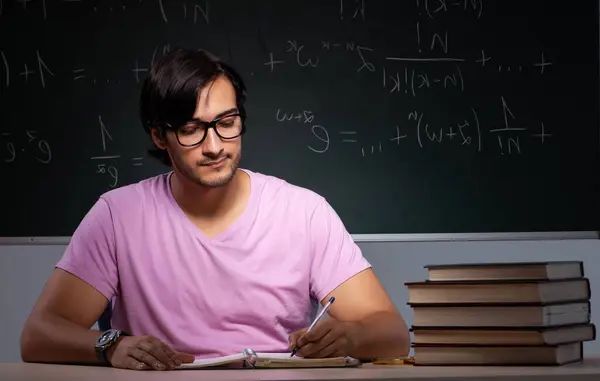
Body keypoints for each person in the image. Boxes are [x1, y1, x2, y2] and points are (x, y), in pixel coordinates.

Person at [20, 48, 410, 371]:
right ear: (159, 135)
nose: (214, 146)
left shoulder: (303, 211)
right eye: (191, 129)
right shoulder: (117, 215)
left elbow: (392, 331)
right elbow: (38, 335)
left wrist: (351, 336)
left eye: (227, 122)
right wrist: (109, 345)